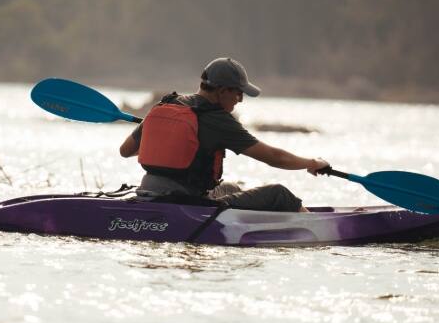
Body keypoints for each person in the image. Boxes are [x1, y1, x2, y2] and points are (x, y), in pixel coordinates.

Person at [119, 57, 330, 212]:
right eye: (238, 92)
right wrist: (312, 162)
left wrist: (167, 140)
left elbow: (126, 150)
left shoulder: (166, 105)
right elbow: (274, 157)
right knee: (280, 194)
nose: (240, 99)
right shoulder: (217, 119)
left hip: (147, 193)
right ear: (222, 91)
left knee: (231, 187)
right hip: (187, 202)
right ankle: (316, 227)